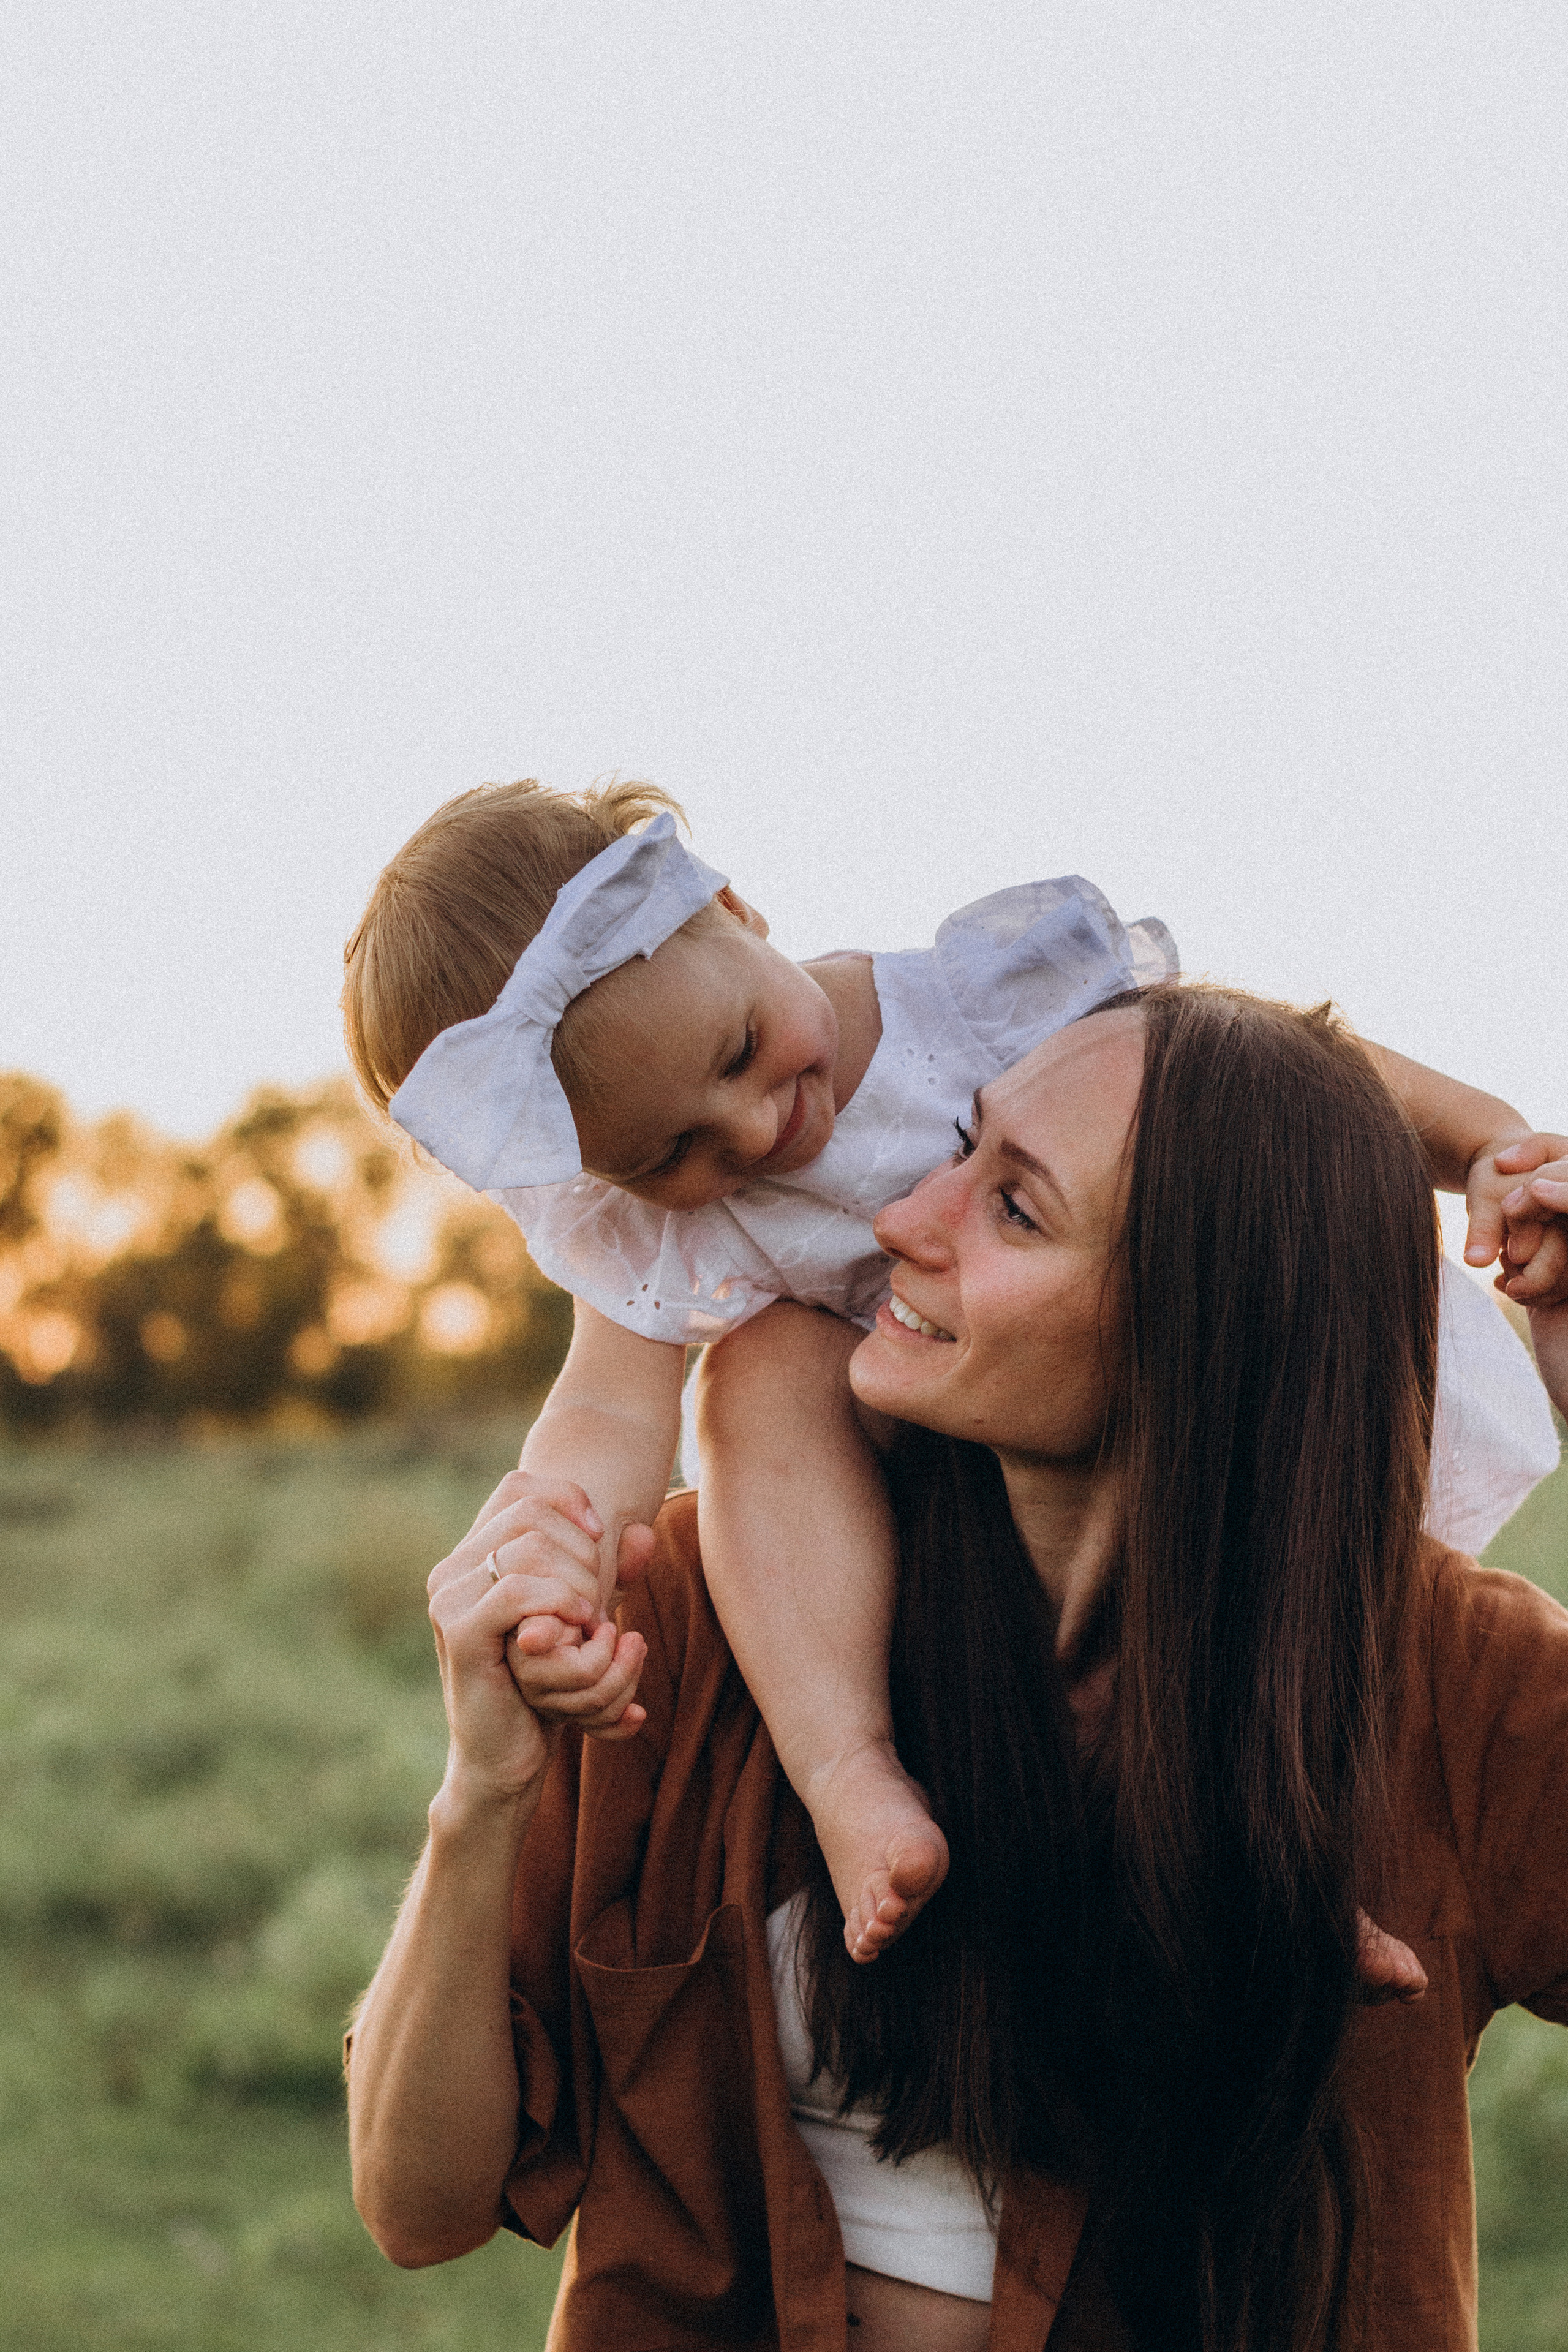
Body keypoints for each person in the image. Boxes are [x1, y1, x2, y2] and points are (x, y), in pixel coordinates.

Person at [348, 984, 1568, 2351]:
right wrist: (482, 1798)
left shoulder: (1450, 1680)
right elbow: (418, 2206)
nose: (895, 1221)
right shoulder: (690, 1617)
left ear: (1198, 1329)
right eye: (959, 1149)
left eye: (1013, 1209)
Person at [342, 781, 1561, 1962]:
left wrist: (1482, 1140)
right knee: (755, 1368)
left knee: (1254, 1594)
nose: (754, 1134)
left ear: (738, 916)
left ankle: (1296, 1865)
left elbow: (1270, 1082)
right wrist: (559, 1562)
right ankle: (847, 1773)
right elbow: (606, 1404)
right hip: (937, 1457)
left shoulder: (984, 1001)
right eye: (669, 1151)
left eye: (740, 1052)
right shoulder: (652, 1229)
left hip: (1188, 1395)